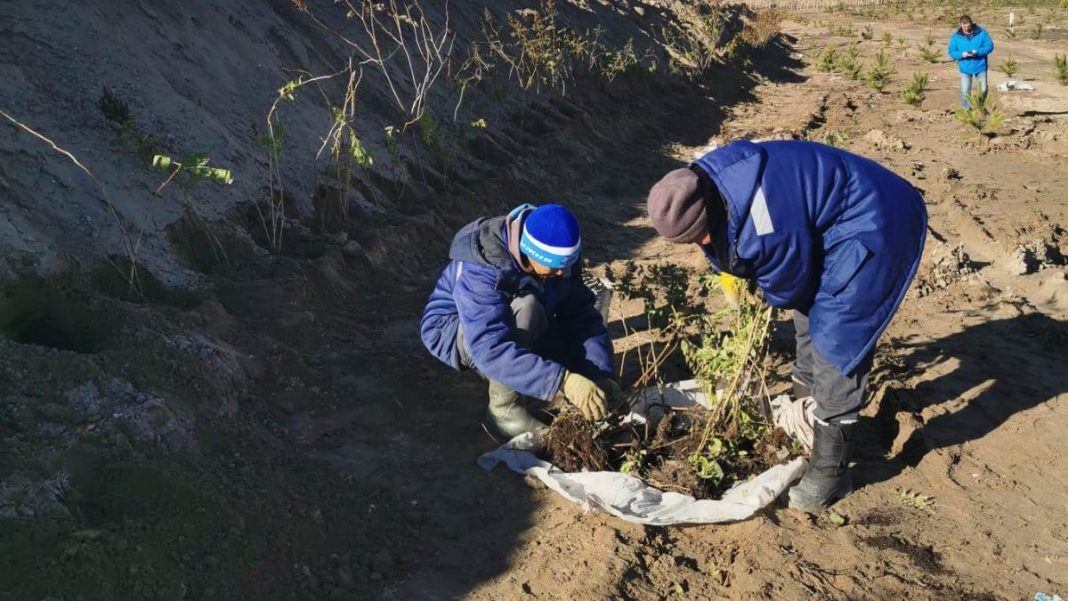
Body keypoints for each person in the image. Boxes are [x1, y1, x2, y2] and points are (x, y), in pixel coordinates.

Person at [645, 140, 927, 511]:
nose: (698, 244)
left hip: (876, 220)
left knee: (837, 336)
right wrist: (728, 267)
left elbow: (788, 282)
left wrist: (756, 284)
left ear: (707, 212)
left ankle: (831, 471)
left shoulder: (763, 216)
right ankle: (806, 412)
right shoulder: (704, 181)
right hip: (832, 219)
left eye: (699, 237)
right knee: (809, 315)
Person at [420, 203, 620, 439]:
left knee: (562, 341)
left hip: (515, 320)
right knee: (528, 308)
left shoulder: (558, 255)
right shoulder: (483, 267)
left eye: (565, 266)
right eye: (554, 267)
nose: (560, 273)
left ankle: (527, 375)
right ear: (530, 253)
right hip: (454, 330)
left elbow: (580, 314)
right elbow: (490, 347)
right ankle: (503, 411)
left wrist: (598, 373)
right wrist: (563, 381)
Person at [948, 15, 994, 110]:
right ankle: (966, 111)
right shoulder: (956, 37)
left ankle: (980, 107)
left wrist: (977, 52)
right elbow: (951, 51)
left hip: (980, 65)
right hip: (965, 67)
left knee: (983, 90)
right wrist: (962, 54)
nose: (966, 28)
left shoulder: (981, 33)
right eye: (964, 27)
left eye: (968, 26)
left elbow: (989, 46)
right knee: (965, 91)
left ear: (971, 23)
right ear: (961, 25)